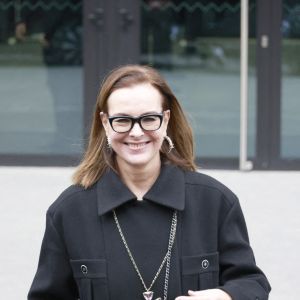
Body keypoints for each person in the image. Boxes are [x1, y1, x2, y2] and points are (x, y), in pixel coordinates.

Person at [28, 64, 271, 300]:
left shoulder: (215, 201)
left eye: (149, 119)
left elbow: (252, 284)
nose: (136, 132)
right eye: (122, 120)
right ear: (105, 123)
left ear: (165, 119)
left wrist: (225, 296)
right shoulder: (70, 210)